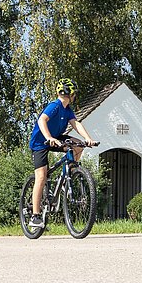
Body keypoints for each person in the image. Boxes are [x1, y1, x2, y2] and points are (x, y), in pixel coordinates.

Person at [27, 79, 97, 233]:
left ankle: (70, 175)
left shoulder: (67, 110)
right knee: (41, 176)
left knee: (78, 145)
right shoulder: (55, 106)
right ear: (71, 94)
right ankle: (35, 215)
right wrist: (49, 138)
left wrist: (88, 138)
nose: (75, 96)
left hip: (57, 138)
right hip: (40, 143)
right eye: (74, 94)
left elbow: (76, 124)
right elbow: (42, 120)